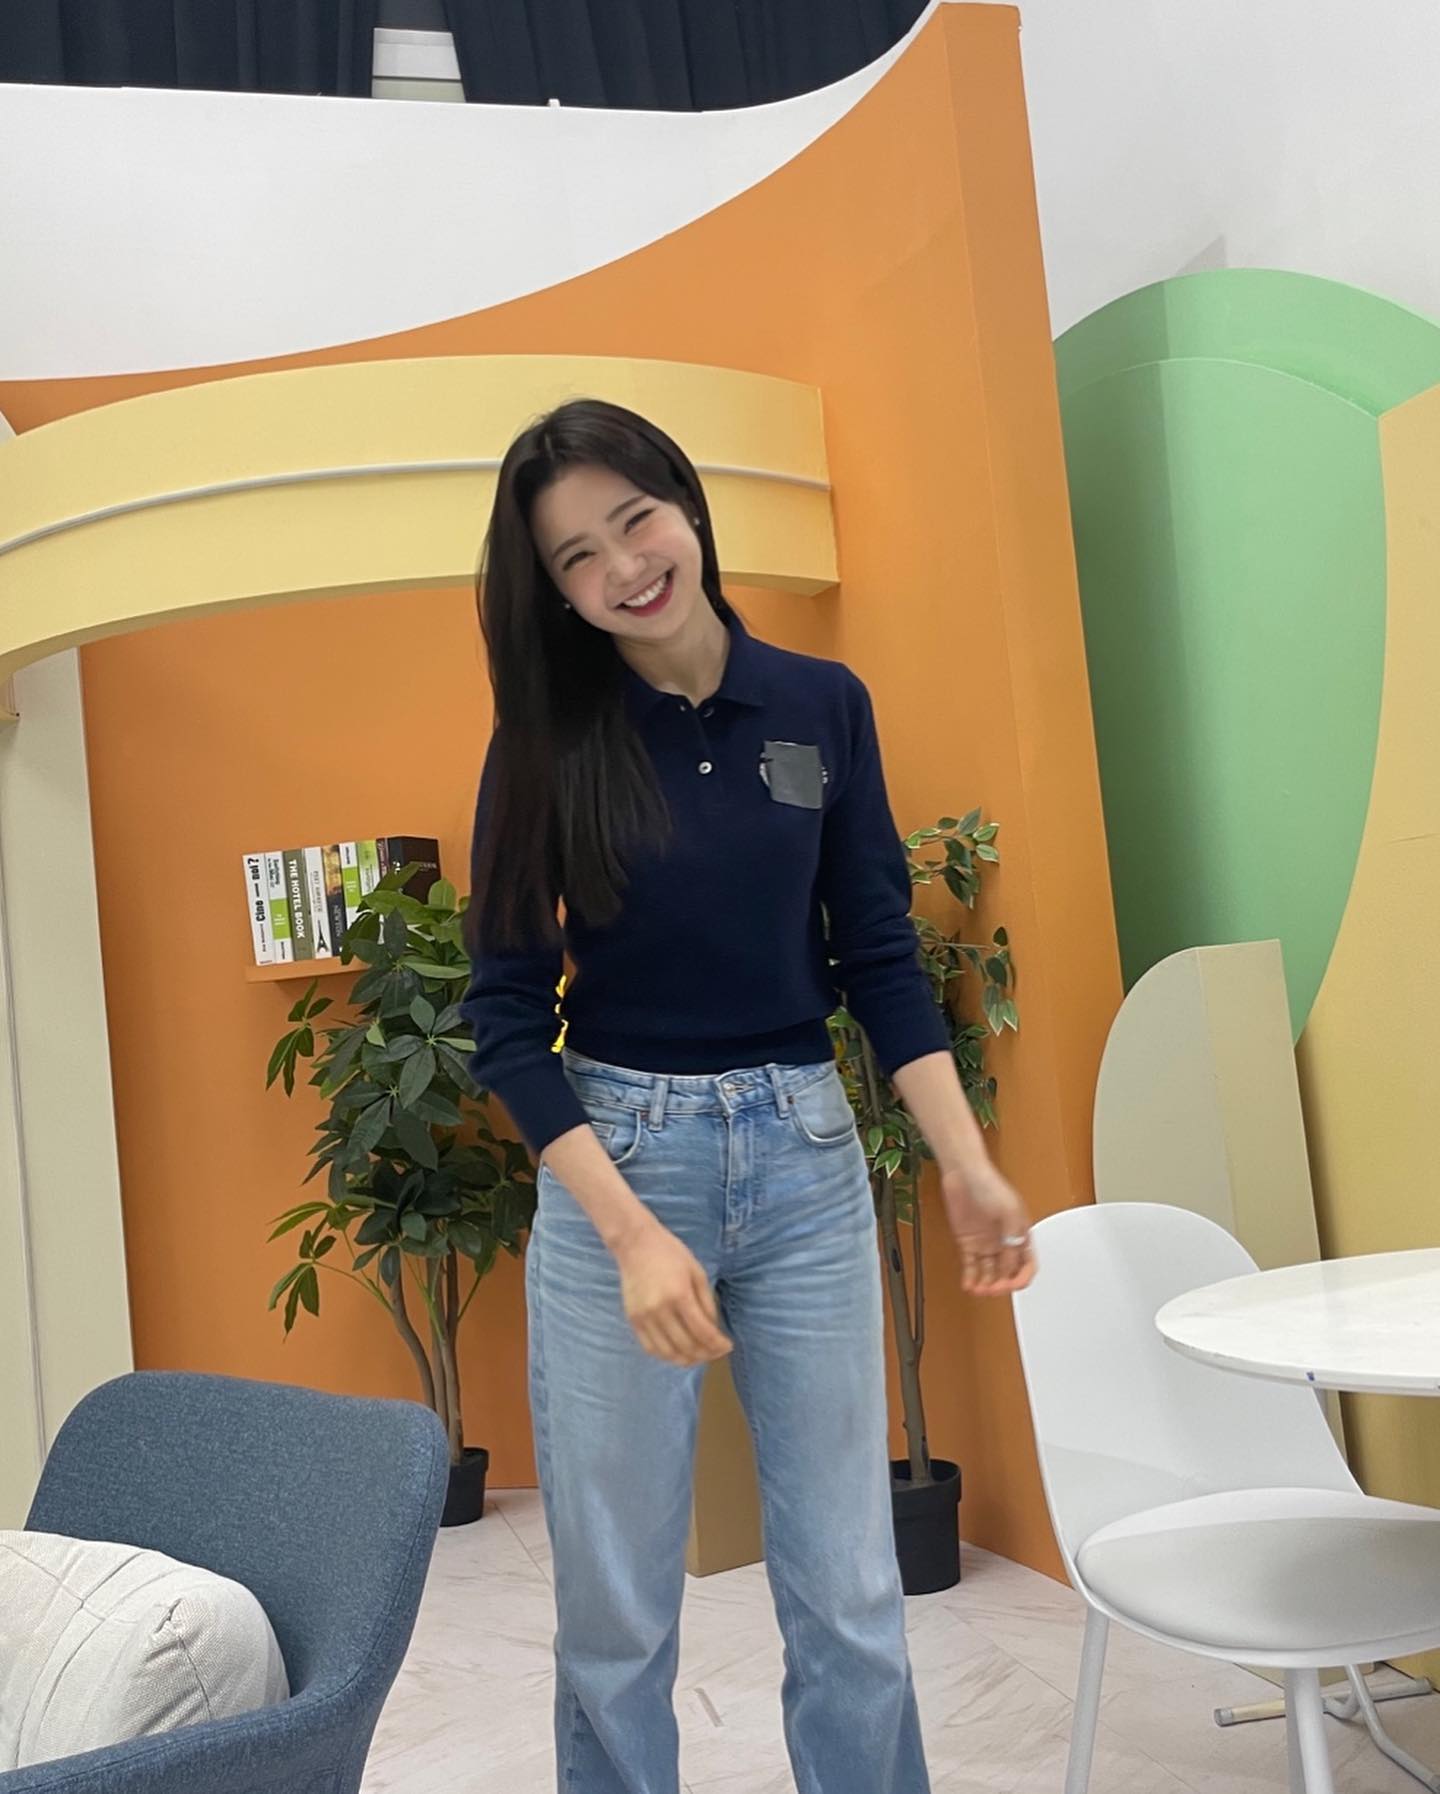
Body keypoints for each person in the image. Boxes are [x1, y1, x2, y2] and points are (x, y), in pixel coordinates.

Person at [461, 398, 1035, 1794]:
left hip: (806, 1155)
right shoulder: (545, 746)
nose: (624, 566)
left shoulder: (823, 705)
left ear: (688, 504)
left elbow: (879, 956)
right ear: (556, 592)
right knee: (616, 1617)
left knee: (851, 1592)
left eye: (636, 519)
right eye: (578, 556)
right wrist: (629, 1233)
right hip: (620, 1159)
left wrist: (964, 1160)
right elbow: (506, 1020)